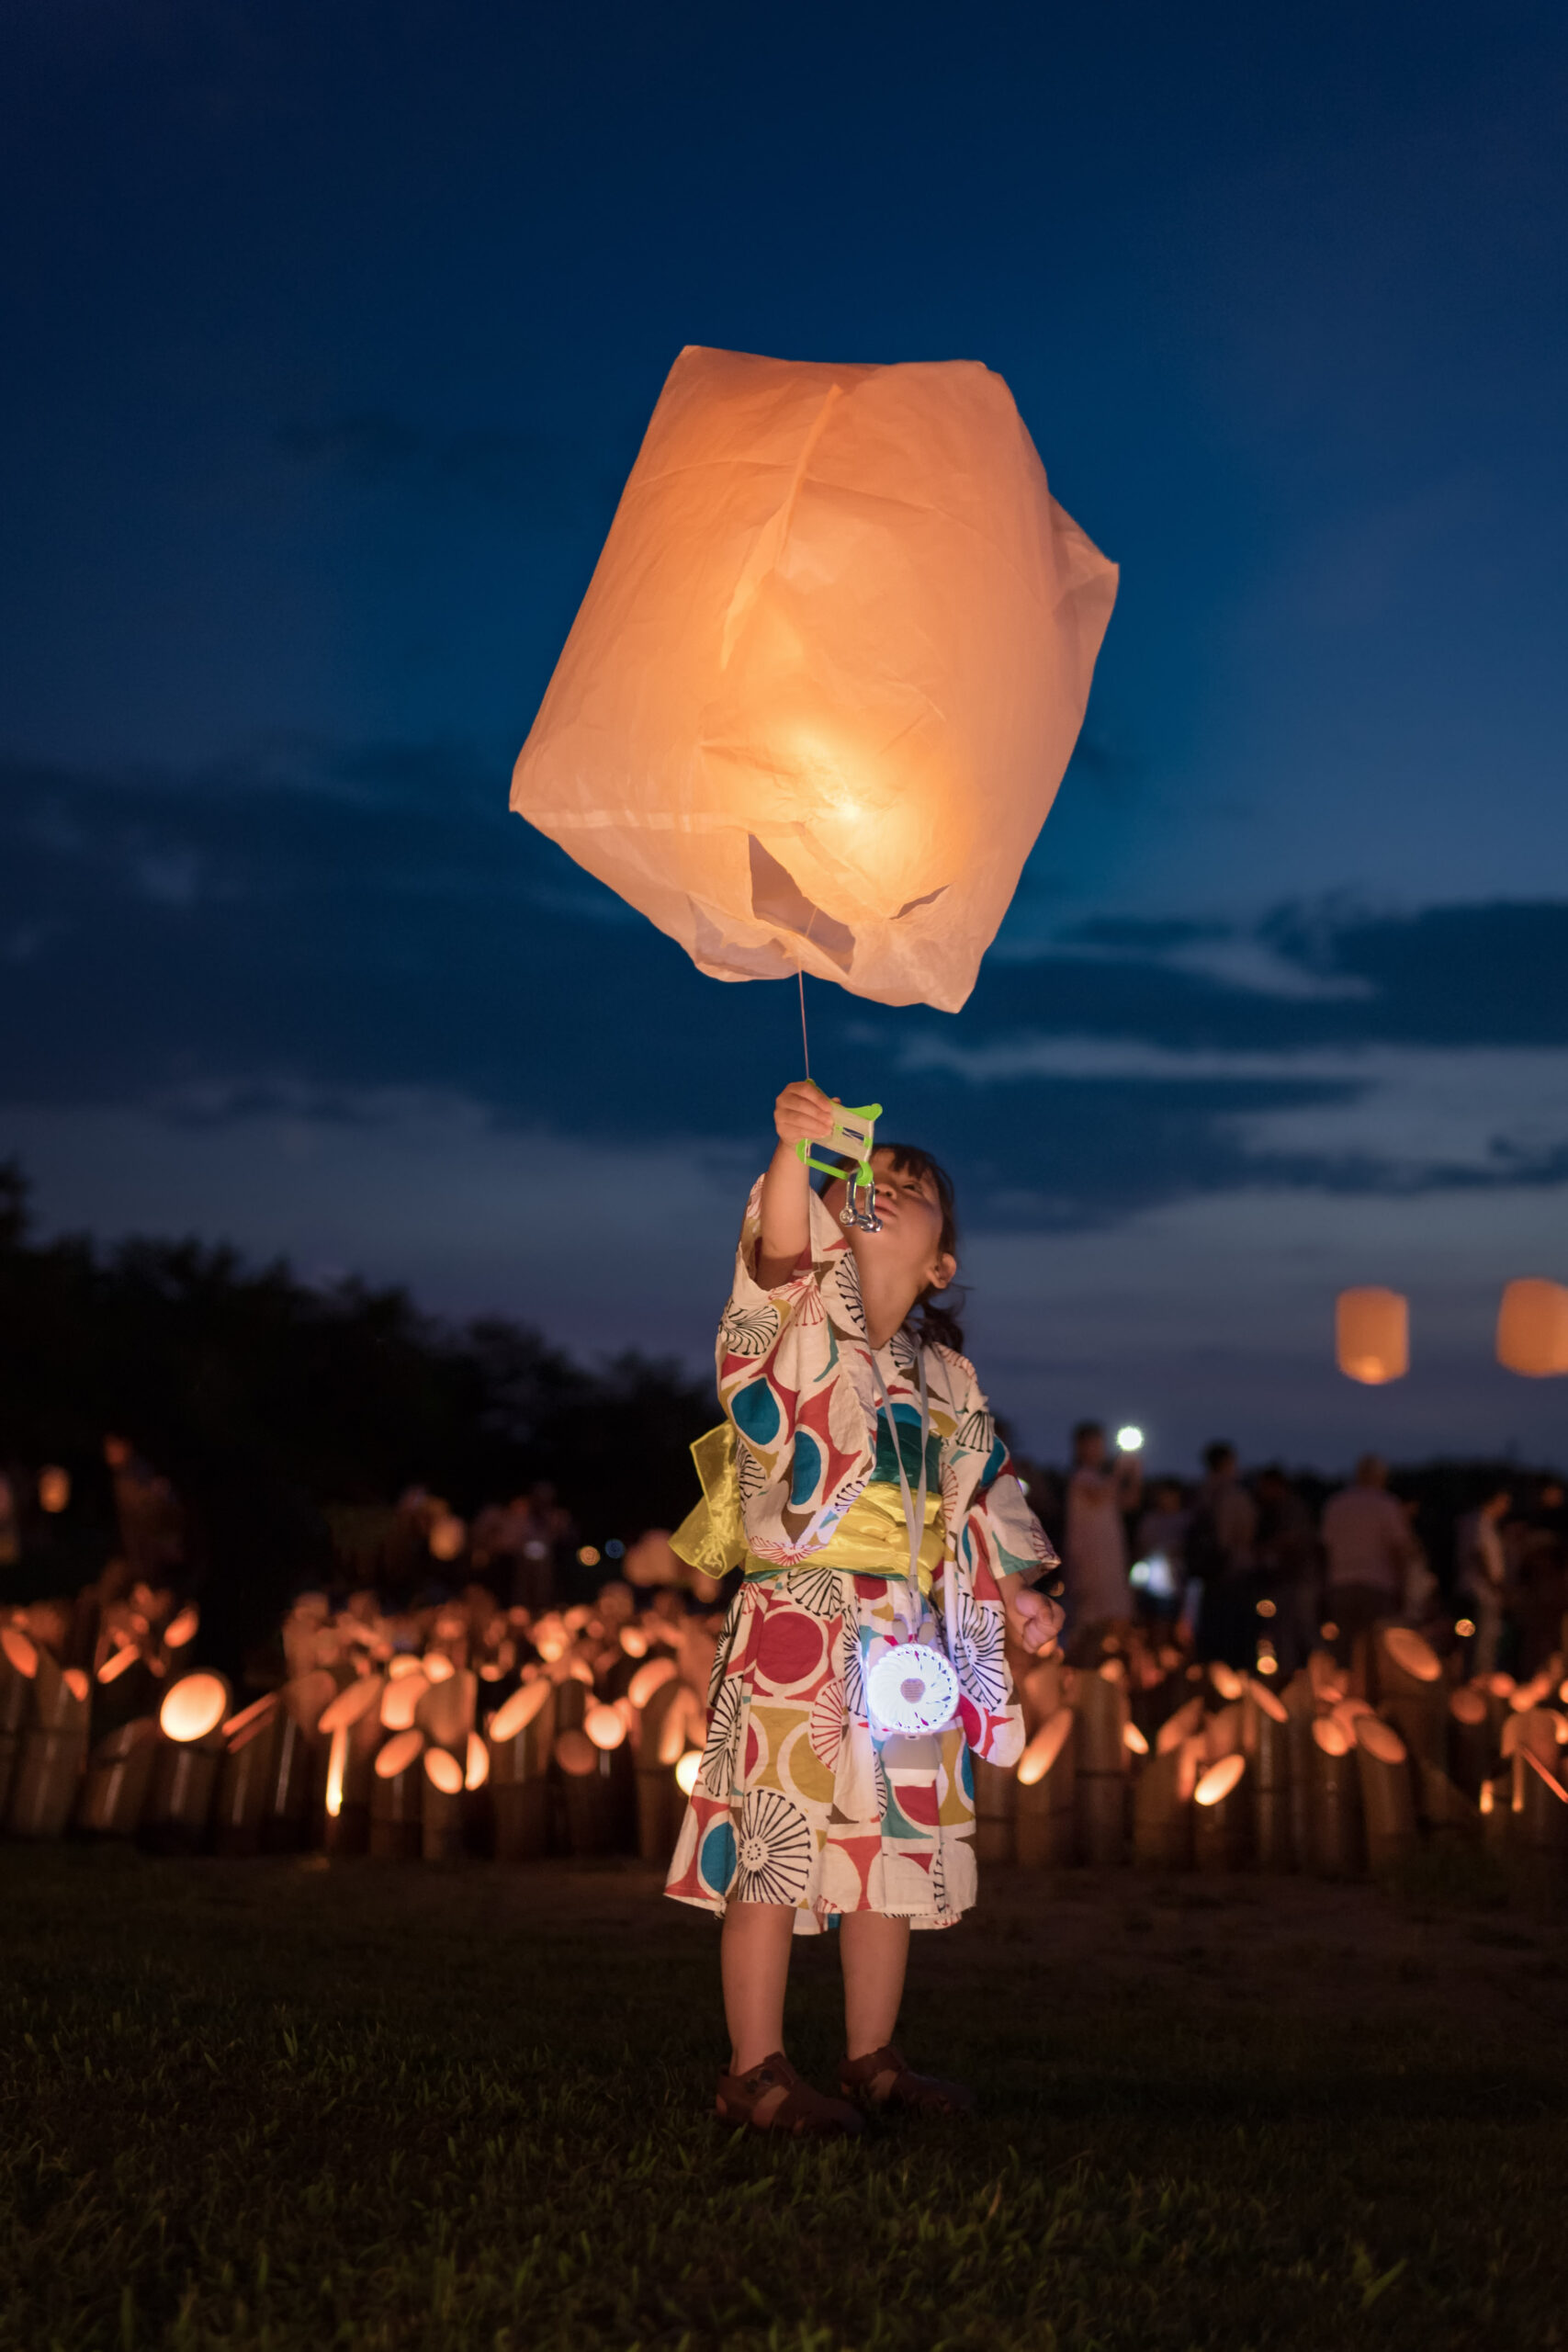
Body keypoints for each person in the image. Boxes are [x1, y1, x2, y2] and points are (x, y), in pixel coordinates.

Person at [665, 1080, 1063, 2134]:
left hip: (908, 1638)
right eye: (874, 1175)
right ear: (839, 1217)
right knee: (775, 1839)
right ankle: (754, 2069)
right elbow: (778, 1244)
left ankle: (872, 2058)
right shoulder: (791, 1319)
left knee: (888, 1850)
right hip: (799, 1618)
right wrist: (798, 1151)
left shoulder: (946, 1377)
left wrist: (1022, 1595)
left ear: (942, 1262)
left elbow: (989, 1489)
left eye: (916, 1185)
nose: (888, 1184)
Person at [1319, 1455, 1415, 1657]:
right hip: (1377, 1585)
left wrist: (1325, 1586)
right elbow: (1398, 1549)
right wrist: (1403, 1587)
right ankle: (1371, 1687)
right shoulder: (1386, 1505)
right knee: (1377, 1648)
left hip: (1341, 1584)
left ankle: (1344, 1684)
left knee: (1345, 1645)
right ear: (1380, 1477)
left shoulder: (1336, 1504)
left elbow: (1325, 1549)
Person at [1063, 1422, 1142, 1636]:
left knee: (1114, 1616)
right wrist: (1120, 1468)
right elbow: (1100, 1496)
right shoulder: (1081, 1477)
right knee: (1090, 1619)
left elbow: (1130, 1502)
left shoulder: (1101, 1479)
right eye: (1092, 1445)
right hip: (1090, 1559)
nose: (1098, 1450)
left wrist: (1135, 1473)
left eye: (1100, 1445)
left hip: (1110, 1557)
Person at [1190, 1442, 1258, 1665]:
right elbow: (1238, 1533)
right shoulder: (1233, 1494)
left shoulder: (1201, 1493)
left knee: (1211, 1634)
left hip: (1207, 1572)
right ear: (1227, 1463)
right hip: (1232, 1571)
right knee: (1235, 1636)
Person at [1455, 1486, 1511, 1677]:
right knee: (1481, 1641)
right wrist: (1495, 1585)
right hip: (1480, 1591)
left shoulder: (1478, 1523)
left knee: (1480, 1640)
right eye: (1504, 1502)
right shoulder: (1479, 1522)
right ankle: (1478, 1681)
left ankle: (1477, 1679)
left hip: (1478, 1589)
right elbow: (1480, 1554)